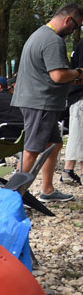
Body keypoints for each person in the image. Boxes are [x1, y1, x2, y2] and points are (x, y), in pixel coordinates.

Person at [11, 3, 83, 202]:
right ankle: (11, 199)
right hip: (40, 103)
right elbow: (58, 75)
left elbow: (48, 74)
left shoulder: (39, 34)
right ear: (68, 20)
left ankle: (48, 190)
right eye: (75, 26)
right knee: (32, 150)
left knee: (54, 144)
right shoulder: (53, 41)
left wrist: (72, 77)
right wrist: (79, 72)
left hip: (38, 101)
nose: (73, 31)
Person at [62, 34, 83, 185]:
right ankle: (68, 171)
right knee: (78, 135)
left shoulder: (80, 45)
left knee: (79, 135)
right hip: (80, 97)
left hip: (77, 96)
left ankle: (71, 171)